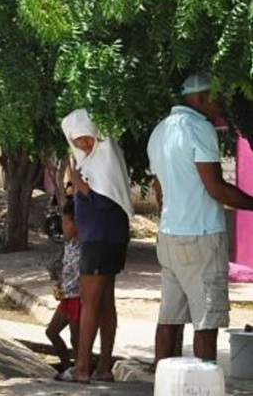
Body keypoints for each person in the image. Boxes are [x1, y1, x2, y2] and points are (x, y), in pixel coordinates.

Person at [148, 73, 253, 366]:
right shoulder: (200, 129)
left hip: (169, 235)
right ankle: (203, 386)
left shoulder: (159, 131)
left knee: (169, 318)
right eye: (217, 97)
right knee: (205, 321)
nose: (220, 104)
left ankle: (163, 385)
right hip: (201, 237)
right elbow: (216, 188)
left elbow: (159, 192)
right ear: (202, 97)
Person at [58, 108, 132, 383]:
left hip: (100, 240)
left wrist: (78, 184)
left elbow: (105, 202)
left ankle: (81, 368)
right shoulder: (97, 158)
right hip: (105, 239)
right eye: (78, 140)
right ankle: (103, 367)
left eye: (87, 138)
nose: (84, 145)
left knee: (90, 303)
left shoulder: (102, 159)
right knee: (105, 303)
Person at [47, 198, 81, 373]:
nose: (63, 226)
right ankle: (68, 367)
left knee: (77, 339)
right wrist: (60, 282)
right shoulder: (69, 245)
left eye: (66, 222)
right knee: (52, 332)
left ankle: (80, 369)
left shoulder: (84, 247)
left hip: (78, 299)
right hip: (67, 297)